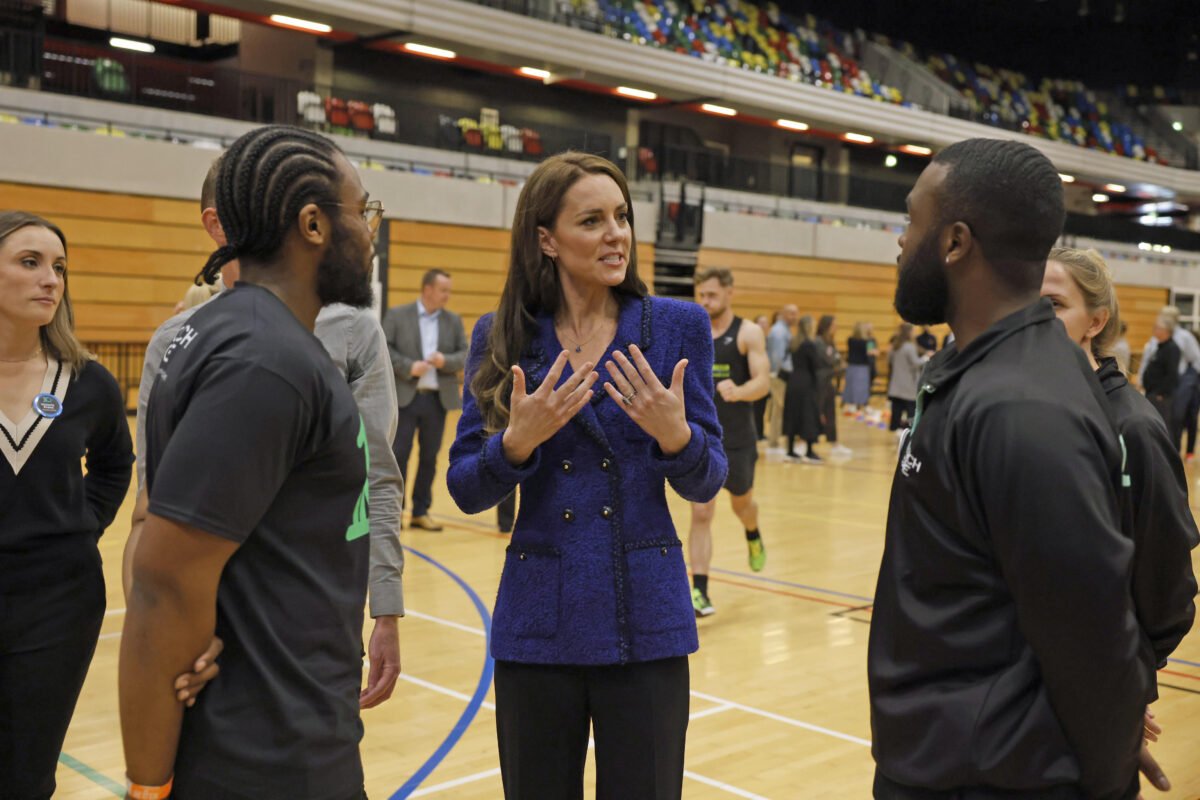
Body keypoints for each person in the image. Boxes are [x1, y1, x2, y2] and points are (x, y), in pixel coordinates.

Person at [869, 137, 1151, 800]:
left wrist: (1108, 776)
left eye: (912, 220)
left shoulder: (1022, 409)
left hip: (991, 774)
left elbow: (1091, 633)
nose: (901, 241)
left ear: (955, 242)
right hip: (942, 754)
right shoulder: (974, 369)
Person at [446, 152, 726, 800]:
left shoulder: (677, 327)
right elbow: (464, 487)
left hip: (647, 618)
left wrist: (676, 435)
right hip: (539, 619)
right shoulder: (502, 336)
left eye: (621, 217)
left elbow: (707, 480)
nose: (616, 234)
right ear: (546, 239)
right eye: (592, 220)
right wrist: (517, 443)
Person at [120, 125, 380, 798]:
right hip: (270, 749)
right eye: (364, 210)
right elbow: (163, 580)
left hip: (284, 722)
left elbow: (159, 523)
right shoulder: (267, 362)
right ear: (313, 224)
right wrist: (148, 787)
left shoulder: (221, 332)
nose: (371, 231)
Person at [1041, 246, 1199, 793]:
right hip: (1024, 697)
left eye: (1053, 305)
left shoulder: (1134, 429)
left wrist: (1121, 689)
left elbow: (1168, 592)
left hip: (1094, 709)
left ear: (1095, 322)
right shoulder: (1025, 413)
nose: (1035, 319)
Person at [0, 212, 134, 799]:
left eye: (58, 267)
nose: (50, 279)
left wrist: (81, 527)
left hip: (58, 604)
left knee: (26, 776)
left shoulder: (87, 381)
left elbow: (115, 464)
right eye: (29, 262)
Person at [689, 267, 771, 616]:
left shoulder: (748, 332)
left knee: (742, 506)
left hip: (737, 440)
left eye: (712, 295)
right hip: (702, 439)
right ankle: (700, 591)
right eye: (702, 295)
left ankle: (752, 532)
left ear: (729, 293)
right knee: (701, 512)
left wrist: (739, 391)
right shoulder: (694, 331)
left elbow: (763, 382)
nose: (706, 301)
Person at [382, 268, 468, 531]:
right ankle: (395, 512)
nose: (447, 295)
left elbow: (464, 354)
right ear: (427, 289)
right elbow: (384, 348)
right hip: (405, 399)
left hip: (436, 401)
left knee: (430, 458)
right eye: (443, 290)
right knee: (399, 456)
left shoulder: (453, 320)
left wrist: (445, 361)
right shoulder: (397, 315)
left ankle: (421, 511)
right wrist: (409, 367)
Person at [1137, 305, 1200, 451]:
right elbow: (1147, 359)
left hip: (1177, 384)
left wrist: (1188, 381)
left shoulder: (1184, 337)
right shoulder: (1156, 338)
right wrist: (1141, 379)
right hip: (1156, 386)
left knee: (1175, 419)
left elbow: (1196, 360)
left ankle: (1175, 452)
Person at [783, 314, 823, 463]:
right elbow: (816, 365)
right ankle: (809, 451)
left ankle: (790, 450)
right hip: (806, 383)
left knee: (793, 415)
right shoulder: (809, 344)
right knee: (808, 416)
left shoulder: (794, 342)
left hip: (793, 382)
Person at [814, 315, 851, 458]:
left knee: (830, 413)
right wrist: (838, 364)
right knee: (816, 412)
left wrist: (839, 364)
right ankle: (804, 441)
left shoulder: (830, 342)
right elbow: (830, 361)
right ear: (827, 326)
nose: (836, 328)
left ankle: (834, 443)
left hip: (829, 382)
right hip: (819, 382)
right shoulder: (818, 342)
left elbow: (838, 360)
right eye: (834, 325)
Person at [765, 304, 798, 452]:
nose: (795, 317)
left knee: (778, 409)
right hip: (780, 375)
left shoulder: (784, 330)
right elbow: (778, 358)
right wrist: (789, 372)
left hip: (779, 374)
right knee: (782, 409)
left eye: (796, 313)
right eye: (791, 313)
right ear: (783, 314)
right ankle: (776, 442)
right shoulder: (779, 331)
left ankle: (775, 441)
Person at [1143, 316, 1180, 429]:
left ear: (1166, 331)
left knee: (1161, 426)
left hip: (1160, 396)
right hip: (1152, 392)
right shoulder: (1161, 346)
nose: (1154, 330)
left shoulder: (1172, 348)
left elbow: (1172, 374)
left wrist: (1161, 393)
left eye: (1157, 328)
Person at [885, 322, 920, 432]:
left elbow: (889, 361)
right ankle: (909, 430)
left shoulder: (894, 346)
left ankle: (895, 428)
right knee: (911, 410)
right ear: (909, 332)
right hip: (908, 384)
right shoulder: (909, 347)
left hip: (896, 384)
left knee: (896, 409)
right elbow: (916, 363)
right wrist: (926, 359)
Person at [842, 321, 874, 413]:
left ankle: (852, 404)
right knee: (861, 387)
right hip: (862, 367)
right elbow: (870, 352)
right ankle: (862, 404)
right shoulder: (867, 341)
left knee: (851, 385)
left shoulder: (850, 340)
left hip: (851, 366)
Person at [752, 313, 771, 440]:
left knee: (762, 408)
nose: (764, 325)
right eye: (761, 322)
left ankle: (760, 432)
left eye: (766, 322)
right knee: (756, 408)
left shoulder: (767, 340)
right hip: (754, 378)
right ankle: (755, 433)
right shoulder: (752, 340)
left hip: (766, 377)